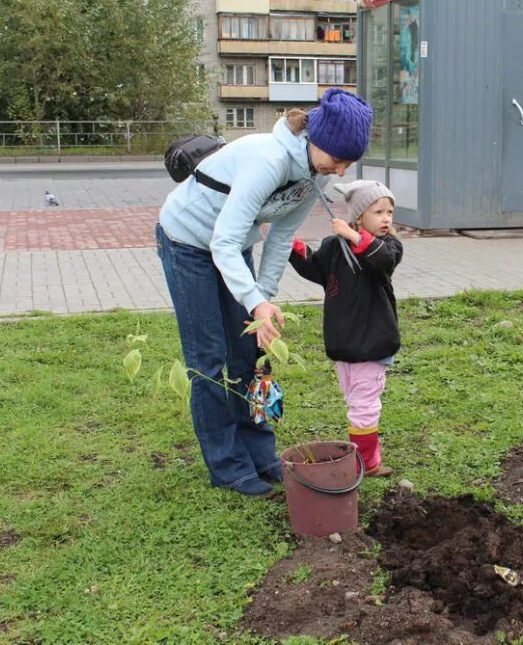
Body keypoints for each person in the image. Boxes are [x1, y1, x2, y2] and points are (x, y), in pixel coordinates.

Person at [155, 89, 373, 497]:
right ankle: (228, 465)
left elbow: (281, 238)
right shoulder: (267, 159)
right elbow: (222, 242)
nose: (341, 172)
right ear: (317, 140)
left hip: (232, 248)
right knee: (209, 358)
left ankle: (259, 453)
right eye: (339, 160)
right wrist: (254, 299)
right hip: (188, 241)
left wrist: (263, 305)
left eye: (348, 164)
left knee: (246, 353)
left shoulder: (315, 174)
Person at [289, 180, 403, 477]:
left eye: (389, 211)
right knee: (355, 401)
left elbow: (383, 261)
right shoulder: (333, 246)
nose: (386, 218)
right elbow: (317, 270)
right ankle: (369, 454)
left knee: (364, 405)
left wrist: (354, 236)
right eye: (378, 211)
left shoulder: (388, 246)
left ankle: (366, 463)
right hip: (344, 342)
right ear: (358, 215)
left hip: (372, 342)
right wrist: (296, 248)